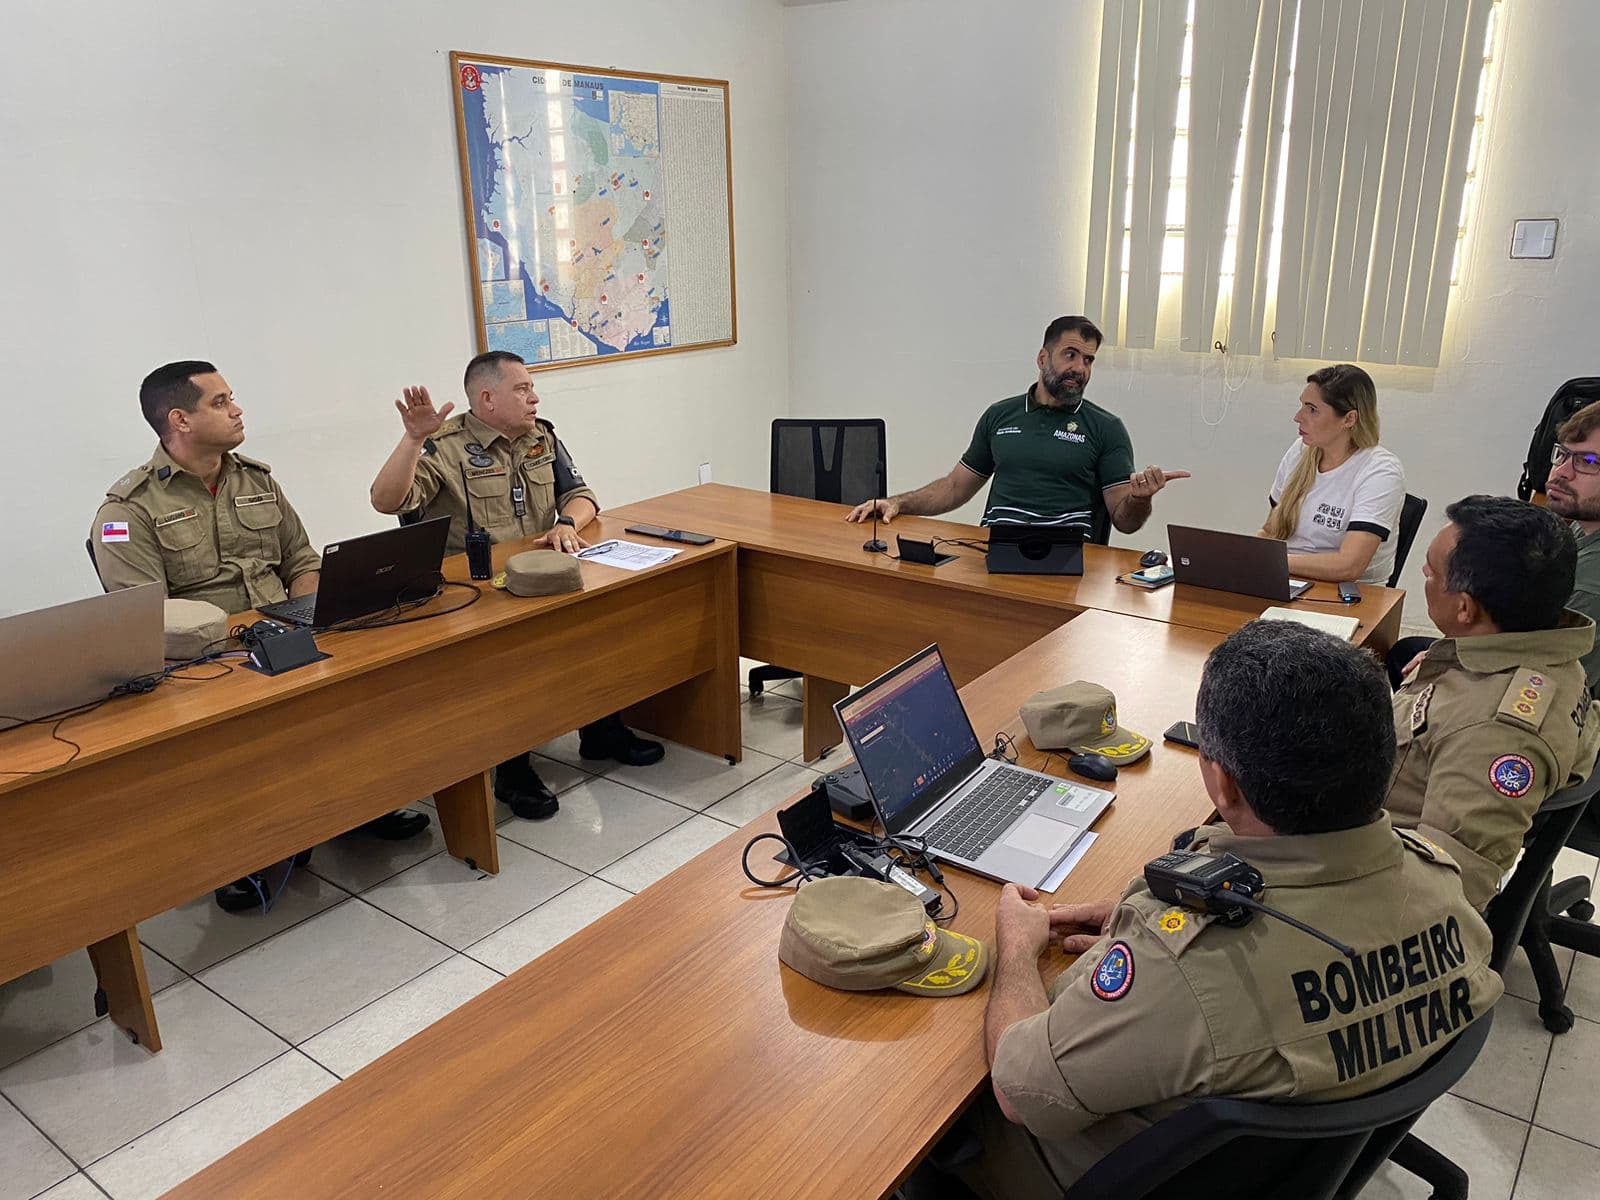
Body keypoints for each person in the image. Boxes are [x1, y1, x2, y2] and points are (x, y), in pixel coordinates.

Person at [949, 621, 1500, 1199]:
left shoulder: (1185, 971)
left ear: (1223, 785)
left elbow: (1018, 1092)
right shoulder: (1447, 891)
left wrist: (1016, 947)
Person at [90, 361, 430, 913]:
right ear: (179, 419)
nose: (237, 409)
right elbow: (145, 616)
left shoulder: (256, 479)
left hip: (286, 629)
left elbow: (300, 556)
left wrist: (306, 613)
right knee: (240, 737)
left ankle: (356, 806)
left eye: (233, 398)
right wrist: (239, 644)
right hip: (207, 661)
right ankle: (242, 851)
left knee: (374, 679)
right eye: (220, 402)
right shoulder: (126, 511)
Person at [370, 350, 664, 819]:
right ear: (487, 399)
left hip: (540, 577)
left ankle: (602, 728)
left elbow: (582, 495)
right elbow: (387, 502)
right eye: (522, 389)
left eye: (532, 388)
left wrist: (568, 522)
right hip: (477, 594)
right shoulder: (443, 446)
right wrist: (411, 439)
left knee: (605, 625)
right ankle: (512, 767)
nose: (534, 397)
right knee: (509, 661)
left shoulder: (540, 436)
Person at [1384, 495, 1599, 910]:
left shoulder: (1496, 734)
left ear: (1465, 608)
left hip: (1366, 868)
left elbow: (1443, 891)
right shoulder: (1547, 646)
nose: (1424, 575)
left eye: (1431, 571)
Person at [844, 316, 1188, 535]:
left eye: (1088, 360)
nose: (1080, 368)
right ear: (1043, 359)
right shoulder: (1000, 415)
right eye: (1070, 354)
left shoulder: (1106, 427)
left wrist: (1140, 500)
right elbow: (953, 488)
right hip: (997, 550)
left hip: (1070, 562)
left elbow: (1124, 521)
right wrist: (897, 502)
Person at [1258, 364, 1405, 584]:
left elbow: (1348, 566)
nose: (1298, 417)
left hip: (1350, 595)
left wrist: (1273, 561)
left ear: (1349, 419)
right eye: (1302, 406)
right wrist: (1247, 560)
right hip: (1287, 579)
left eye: (1312, 409)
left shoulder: (1381, 471)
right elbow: (1270, 531)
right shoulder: (1300, 451)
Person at [1540, 399, 1600, 695]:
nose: (1561, 472)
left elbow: (1545, 684)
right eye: (1563, 454)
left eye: (1589, 462)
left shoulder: (1591, 585)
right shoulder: (1582, 525)